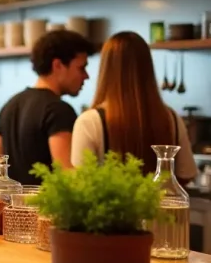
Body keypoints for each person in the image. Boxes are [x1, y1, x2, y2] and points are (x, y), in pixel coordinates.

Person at [71, 31, 197, 181]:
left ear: (105, 68)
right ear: (148, 67)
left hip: (110, 205)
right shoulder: (171, 118)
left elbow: (81, 184)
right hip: (158, 204)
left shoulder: (89, 121)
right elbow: (186, 174)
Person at [0, 29, 93, 184]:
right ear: (58, 65)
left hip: (12, 207)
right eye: (81, 67)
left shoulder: (10, 105)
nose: (86, 76)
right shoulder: (58, 110)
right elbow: (67, 176)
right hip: (45, 207)